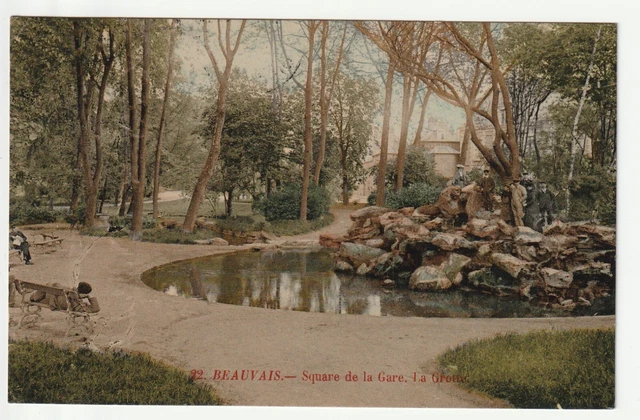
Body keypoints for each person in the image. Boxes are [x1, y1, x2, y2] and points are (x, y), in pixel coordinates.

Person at [30, 281, 100, 313]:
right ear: (83, 295)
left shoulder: (68, 291)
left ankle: (33, 297)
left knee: (50, 285)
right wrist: (90, 297)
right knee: (49, 288)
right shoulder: (77, 306)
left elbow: (55, 285)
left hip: (52, 300)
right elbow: (96, 308)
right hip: (55, 303)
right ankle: (34, 297)